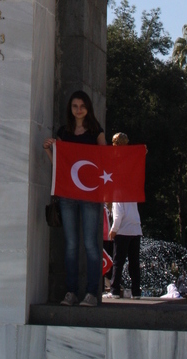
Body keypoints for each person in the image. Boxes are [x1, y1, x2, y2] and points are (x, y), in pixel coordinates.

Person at [43, 90, 106, 307]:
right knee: (70, 245)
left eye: (82, 106)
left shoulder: (96, 131)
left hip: (89, 195)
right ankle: (71, 291)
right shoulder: (64, 132)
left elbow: (105, 158)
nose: (78, 110)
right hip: (68, 194)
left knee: (90, 244)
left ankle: (91, 293)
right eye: (74, 106)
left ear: (88, 107)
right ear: (70, 109)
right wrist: (50, 151)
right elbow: (60, 165)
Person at [102, 132, 143, 300]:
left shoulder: (118, 192)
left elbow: (118, 214)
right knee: (134, 263)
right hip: (135, 228)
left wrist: (113, 230)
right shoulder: (131, 191)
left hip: (123, 230)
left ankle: (114, 290)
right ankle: (136, 292)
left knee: (118, 261)